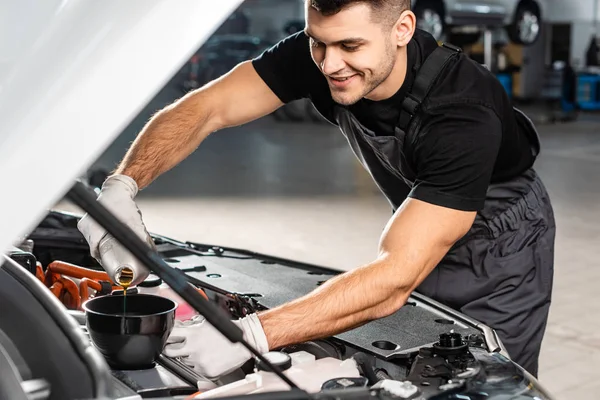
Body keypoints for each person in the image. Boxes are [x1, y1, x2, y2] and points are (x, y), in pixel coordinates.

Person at [78, 0, 555, 379]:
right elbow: (206, 108)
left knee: (484, 381)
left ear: (403, 29)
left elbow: (392, 282)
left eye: (350, 45)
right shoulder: (323, 52)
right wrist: (122, 185)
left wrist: (249, 336)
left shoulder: (461, 111)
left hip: (502, 242)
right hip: (423, 216)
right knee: (412, 366)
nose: (330, 65)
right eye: (318, 44)